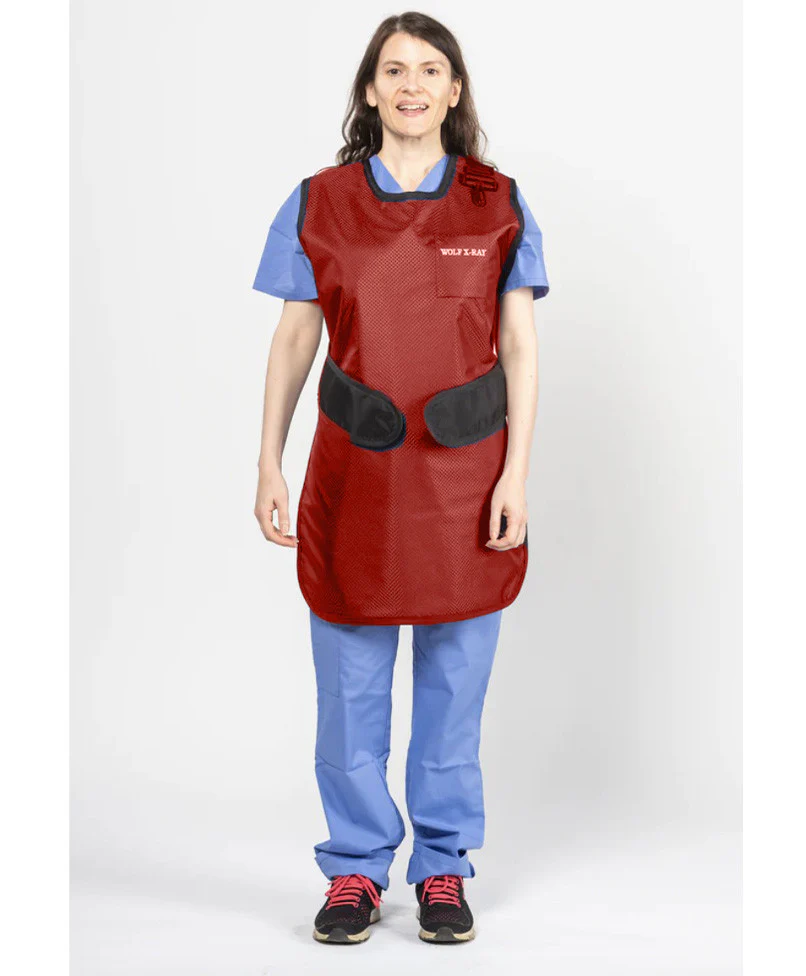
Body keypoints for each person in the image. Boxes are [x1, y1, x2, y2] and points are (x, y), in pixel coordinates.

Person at [252, 12, 549, 946]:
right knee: (349, 694)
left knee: (453, 695)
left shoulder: (497, 202)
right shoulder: (320, 201)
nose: (411, 84)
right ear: (370, 91)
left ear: (454, 91)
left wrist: (516, 476)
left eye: (429, 69)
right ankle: (354, 868)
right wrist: (268, 459)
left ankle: (443, 869)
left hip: (465, 481)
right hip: (357, 478)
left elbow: (519, 346)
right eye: (392, 70)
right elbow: (295, 337)